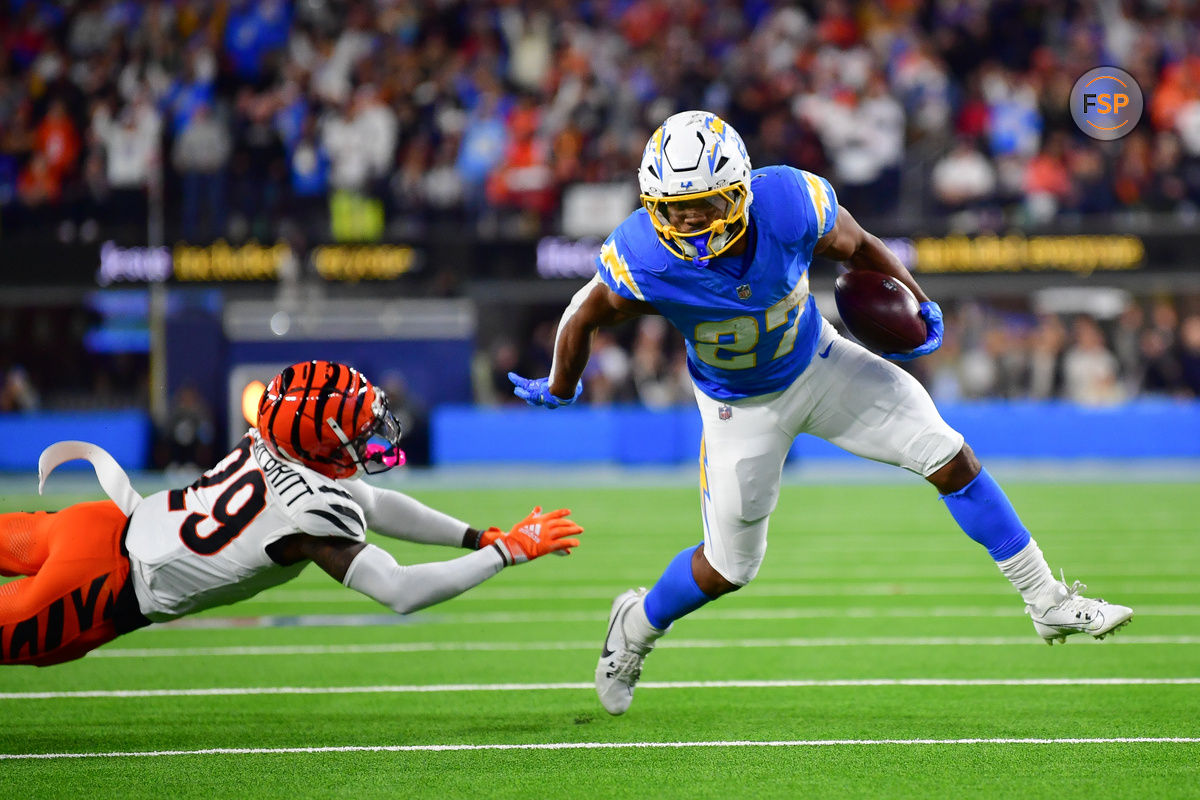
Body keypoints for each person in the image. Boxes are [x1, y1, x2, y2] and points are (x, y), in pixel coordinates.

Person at [507, 110, 1132, 716]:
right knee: (730, 566)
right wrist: (562, 382)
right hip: (737, 406)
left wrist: (917, 302)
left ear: (742, 192)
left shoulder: (787, 203)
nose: (694, 223)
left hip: (820, 362)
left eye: (708, 205)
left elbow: (859, 246)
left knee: (947, 453)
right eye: (678, 209)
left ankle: (1044, 598)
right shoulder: (643, 255)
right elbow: (583, 311)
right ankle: (636, 625)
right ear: (653, 206)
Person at [1, 360, 582, 666]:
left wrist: (477, 536)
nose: (370, 438)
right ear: (319, 441)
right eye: (357, 431)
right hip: (97, 588)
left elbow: (376, 504)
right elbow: (400, 591)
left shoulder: (275, 438)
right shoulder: (307, 512)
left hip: (93, 523)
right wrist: (505, 553)